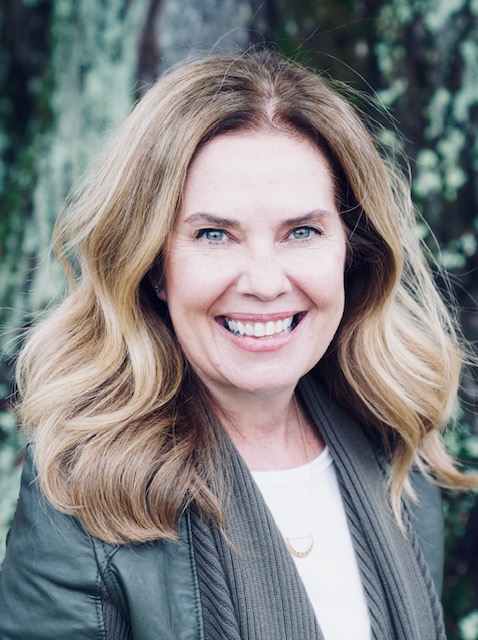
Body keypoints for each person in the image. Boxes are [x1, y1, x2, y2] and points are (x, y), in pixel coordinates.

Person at [0, 49, 475, 640]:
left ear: (351, 250)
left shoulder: (397, 448)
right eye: (214, 235)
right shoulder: (82, 491)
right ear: (152, 264)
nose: (265, 282)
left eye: (301, 231)